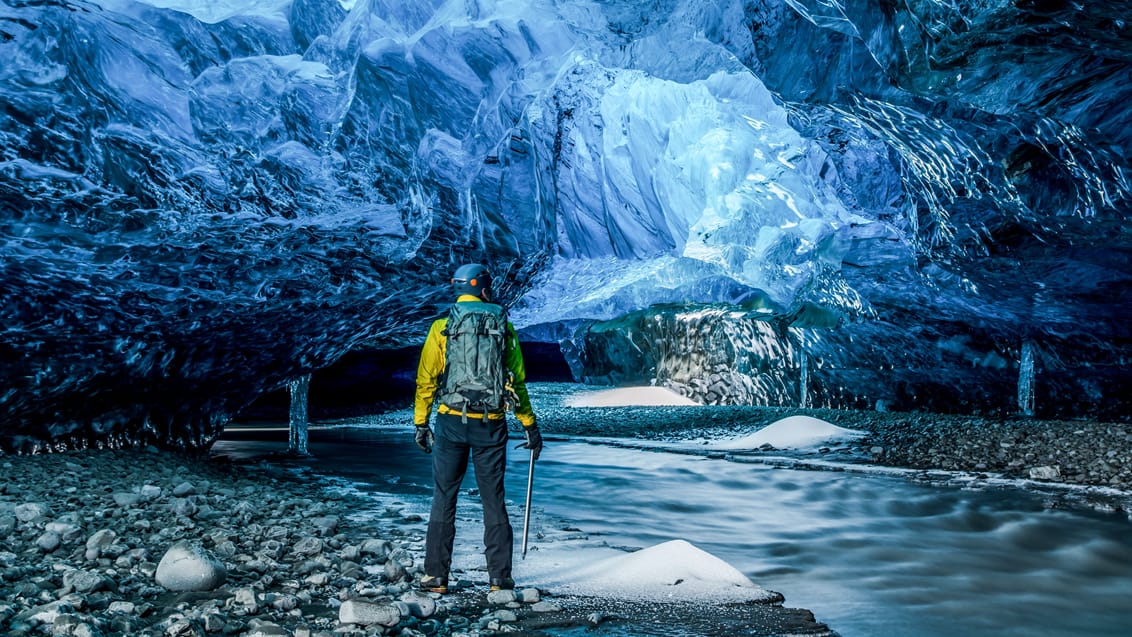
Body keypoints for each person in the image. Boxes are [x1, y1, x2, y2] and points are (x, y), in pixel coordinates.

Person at [412, 263, 543, 594]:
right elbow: (517, 381)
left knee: (444, 497)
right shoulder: (503, 326)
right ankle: (500, 579)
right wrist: (529, 425)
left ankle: (436, 578)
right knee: (493, 500)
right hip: (492, 424)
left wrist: (420, 422)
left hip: (451, 422)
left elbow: (426, 379)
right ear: (484, 288)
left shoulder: (443, 327)